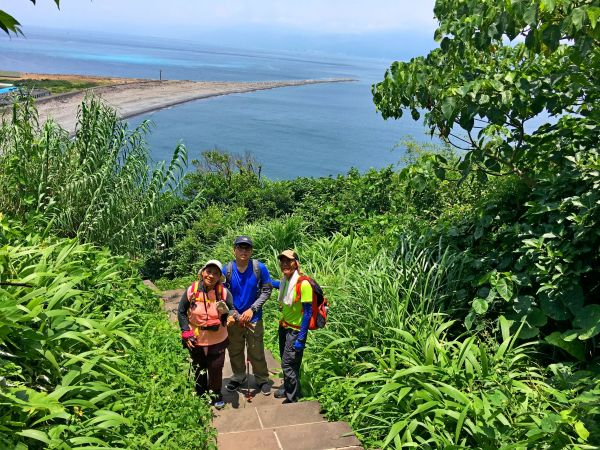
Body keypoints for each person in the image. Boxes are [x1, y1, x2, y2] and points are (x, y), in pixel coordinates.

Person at [178, 260, 233, 409]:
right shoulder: (192, 291)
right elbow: (181, 312)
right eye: (209, 271)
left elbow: (232, 309)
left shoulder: (223, 292)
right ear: (203, 272)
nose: (211, 275)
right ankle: (201, 394)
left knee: (216, 368)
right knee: (198, 368)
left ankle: (216, 394)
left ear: (219, 277)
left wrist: (231, 316)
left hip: (218, 338)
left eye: (216, 273)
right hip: (195, 337)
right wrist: (186, 332)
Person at [223, 235, 273, 395]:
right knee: (235, 350)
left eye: (247, 248)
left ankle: (262, 379)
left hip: (254, 317)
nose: (243, 251)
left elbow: (266, 290)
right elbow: (222, 294)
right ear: (234, 250)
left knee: (256, 350)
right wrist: (235, 314)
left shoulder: (260, 268)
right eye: (240, 247)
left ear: (251, 251)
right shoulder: (227, 270)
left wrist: (252, 309)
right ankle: (239, 376)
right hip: (234, 318)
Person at [275, 249, 313, 403]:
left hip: (296, 331)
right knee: (289, 360)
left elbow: (308, 313)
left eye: (288, 261)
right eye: (282, 261)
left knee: (287, 363)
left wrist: (301, 337)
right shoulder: (286, 281)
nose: (285, 264)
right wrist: (265, 281)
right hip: (284, 327)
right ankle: (288, 386)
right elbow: (278, 285)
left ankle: (292, 397)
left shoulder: (303, 284)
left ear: (296, 263)